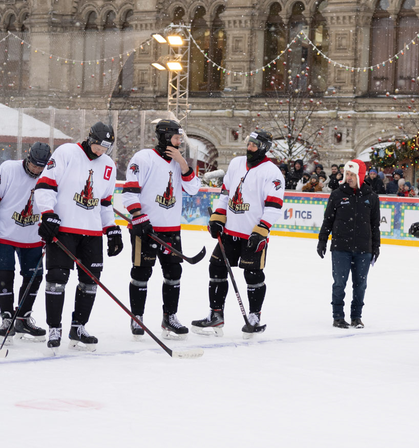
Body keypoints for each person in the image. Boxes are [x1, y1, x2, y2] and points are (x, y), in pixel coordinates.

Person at [34, 122, 123, 351]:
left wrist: (111, 228)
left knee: (90, 281)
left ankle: (78, 327)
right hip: (63, 230)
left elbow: (104, 202)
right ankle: (55, 328)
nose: (101, 151)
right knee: (56, 279)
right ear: (90, 138)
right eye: (98, 146)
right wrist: (48, 213)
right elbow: (45, 186)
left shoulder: (109, 166)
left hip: (92, 232)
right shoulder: (66, 152)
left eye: (106, 148)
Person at [195, 129, 284, 337]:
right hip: (230, 232)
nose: (249, 147)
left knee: (253, 275)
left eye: (254, 145)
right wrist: (218, 217)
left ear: (263, 147)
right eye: (248, 143)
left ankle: (254, 316)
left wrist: (262, 229)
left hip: (253, 235)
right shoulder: (236, 164)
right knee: (216, 268)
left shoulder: (272, 173)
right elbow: (225, 194)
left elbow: (274, 206)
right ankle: (216, 314)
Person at [122, 119, 201, 340]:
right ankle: (137, 317)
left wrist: (183, 164)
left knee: (174, 274)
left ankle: (170, 318)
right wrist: (139, 216)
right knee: (141, 273)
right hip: (145, 228)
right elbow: (129, 192)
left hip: (171, 230)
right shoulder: (143, 158)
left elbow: (193, 189)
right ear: (166, 137)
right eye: (176, 138)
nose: (179, 142)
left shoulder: (178, 162)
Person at [0, 141, 51, 342]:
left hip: (33, 235)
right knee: (4, 275)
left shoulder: (50, 175)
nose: (37, 170)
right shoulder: (9, 168)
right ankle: (6, 318)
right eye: (34, 165)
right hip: (4, 233)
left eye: (41, 166)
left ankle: (22, 318)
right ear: (27, 158)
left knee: (35, 277)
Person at [317, 159, 380, 328]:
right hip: (340, 248)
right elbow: (328, 220)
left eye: (352, 174)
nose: (349, 177)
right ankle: (338, 316)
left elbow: (375, 225)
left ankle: (356, 316)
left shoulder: (372, 197)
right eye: (347, 174)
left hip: (363, 248)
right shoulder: (337, 194)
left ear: (360, 175)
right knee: (339, 283)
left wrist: (376, 247)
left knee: (360, 285)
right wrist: (322, 240)